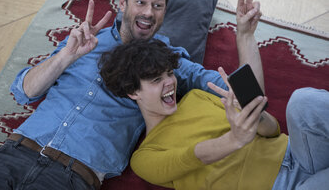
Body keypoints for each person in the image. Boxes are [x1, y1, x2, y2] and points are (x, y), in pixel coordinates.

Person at [0, 0, 262, 190]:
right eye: (141, 2)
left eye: (158, 5)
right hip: (15, 151)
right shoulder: (82, 40)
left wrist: (245, 36)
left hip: (72, 176)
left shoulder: (167, 62)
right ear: (122, 3)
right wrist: (66, 57)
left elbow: (246, 93)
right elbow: (24, 92)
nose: (149, 13)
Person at [99, 39, 329, 190]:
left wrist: (253, 115)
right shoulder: (145, 158)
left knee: (303, 100)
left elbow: (272, 131)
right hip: (280, 187)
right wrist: (235, 139)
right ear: (133, 92)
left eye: (169, 73)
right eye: (156, 80)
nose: (169, 82)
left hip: (298, 151)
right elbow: (195, 156)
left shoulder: (196, 97)